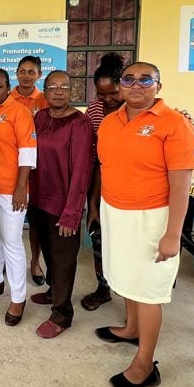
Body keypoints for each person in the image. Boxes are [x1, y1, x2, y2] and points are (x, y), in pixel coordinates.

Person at [96, 62, 194, 387]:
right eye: (129, 79)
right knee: (125, 278)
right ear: (120, 85)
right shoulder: (111, 122)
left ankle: (145, 364)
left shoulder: (175, 124)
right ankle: (131, 329)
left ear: (159, 85)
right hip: (115, 211)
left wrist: (173, 234)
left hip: (152, 218)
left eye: (145, 80)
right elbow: (107, 166)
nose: (136, 85)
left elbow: (182, 186)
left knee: (148, 290)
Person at [28, 70, 93, 339]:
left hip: (64, 203)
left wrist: (72, 212)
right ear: (44, 90)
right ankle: (54, 292)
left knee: (64, 259)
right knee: (48, 251)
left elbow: (82, 170)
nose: (58, 92)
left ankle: (62, 313)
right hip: (39, 198)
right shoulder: (40, 117)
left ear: (71, 91)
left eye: (64, 88)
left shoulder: (80, 123)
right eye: (52, 87)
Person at [0, 68, 36, 326]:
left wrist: (21, 187)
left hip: (12, 190)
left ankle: (18, 297)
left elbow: (28, 152)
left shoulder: (19, 112)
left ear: (7, 87)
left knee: (12, 243)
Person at [81, 52, 124, 311]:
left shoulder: (135, 109)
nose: (107, 100)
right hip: (99, 179)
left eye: (113, 94)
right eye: (101, 94)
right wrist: (93, 203)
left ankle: (130, 289)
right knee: (98, 235)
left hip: (128, 183)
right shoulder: (95, 110)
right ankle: (103, 287)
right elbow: (92, 153)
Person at [10, 55, 48, 286]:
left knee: (36, 220)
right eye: (22, 71)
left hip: (38, 167)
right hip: (9, 167)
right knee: (7, 222)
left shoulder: (44, 100)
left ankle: (35, 262)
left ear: (39, 75)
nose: (26, 76)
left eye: (31, 72)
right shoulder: (7, 98)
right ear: (16, 73)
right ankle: (6, 261)